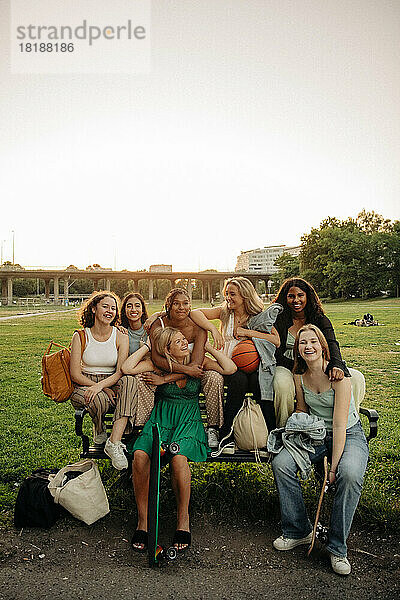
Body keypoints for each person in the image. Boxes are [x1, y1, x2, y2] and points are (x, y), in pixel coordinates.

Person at [271, 324, 368, 576]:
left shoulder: (339, 376)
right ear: (298, 349)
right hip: (315, 433)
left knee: (350, 474)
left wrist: (333, 468)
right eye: (303, 343)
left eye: (313, 341)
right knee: (281, 463)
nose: (308, 346)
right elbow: (303, 408)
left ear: (323, 346)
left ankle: (337, 548)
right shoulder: (298, 375)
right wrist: (294, 427)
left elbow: (338, 424)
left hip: (347, 433)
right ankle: (299, 530)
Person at [129, 327, 236, 552]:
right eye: (178, 342)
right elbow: (127, 368)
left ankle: (183, 519)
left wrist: (206, 347)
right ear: (167, 349)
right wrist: (148, 347)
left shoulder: (198, 362)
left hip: (188, 420)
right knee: (139, 456)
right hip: (161, 418)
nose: (184, 343)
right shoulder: (158, 363)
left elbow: (230, 368)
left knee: (179, 459)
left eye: (184, 340)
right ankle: (143, 520)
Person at [189, 277, 281, 447]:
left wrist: (248, 333)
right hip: (227, 365)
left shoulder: (257, 316)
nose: (228, 298)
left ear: (245, 296)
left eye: (233, 294)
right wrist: (213, 329)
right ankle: (226, 434)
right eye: (227, 294)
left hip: (250, 364)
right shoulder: (224, 312)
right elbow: (194, 313)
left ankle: (270, 432)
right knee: (239, 380)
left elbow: (276, 340)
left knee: (258, 381)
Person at [272, 277, 365, 428]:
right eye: (291, 296)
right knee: (282, 384)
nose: (296, 300)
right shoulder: (278, 320)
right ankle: (284, 428)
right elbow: (274, 353)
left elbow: (332, 343)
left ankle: (349, 426)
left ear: (307, 296)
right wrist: (300, 366)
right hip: (287, 365)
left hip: (317, 365)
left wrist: (336, 364)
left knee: (356, 378)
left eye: (300, 295)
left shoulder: (319, 319)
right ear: (284, 298)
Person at [146, 288, 226, 449]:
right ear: (168, 305)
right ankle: (143, 426)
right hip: (166, 368)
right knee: (145, 377)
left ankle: (213, 428)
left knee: (214, 378)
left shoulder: (198, 325)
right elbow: (157, 358)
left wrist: (173, 376)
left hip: (191, 371)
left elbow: (196, 363)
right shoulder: (159, 324)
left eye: (185, 303)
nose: (181, 307)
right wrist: (185, 371)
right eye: (176, 303)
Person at [69, 291, 129, 445]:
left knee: (127, 389)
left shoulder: (121, 336)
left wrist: (103, 386)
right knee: (97, 399)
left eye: (113, 308)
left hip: (111, 381)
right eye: (105, 306)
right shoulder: (81, 336)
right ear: (94, 309)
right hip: (83, 382)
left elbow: (120, 371)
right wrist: (99, 388)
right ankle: (99, 427)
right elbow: (75, 374)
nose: (109, 311)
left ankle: (123, 434)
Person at [103, 292, 153, 469]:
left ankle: (135, 433)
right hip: (124, 378)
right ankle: (128, 436)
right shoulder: (118, 331)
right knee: (132, 381)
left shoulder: (150, 330)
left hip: (143, 374)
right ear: (123, 310)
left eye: (137, 306)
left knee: (139, 381)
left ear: (142, 309)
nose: (134, 309)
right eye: (129, 306)